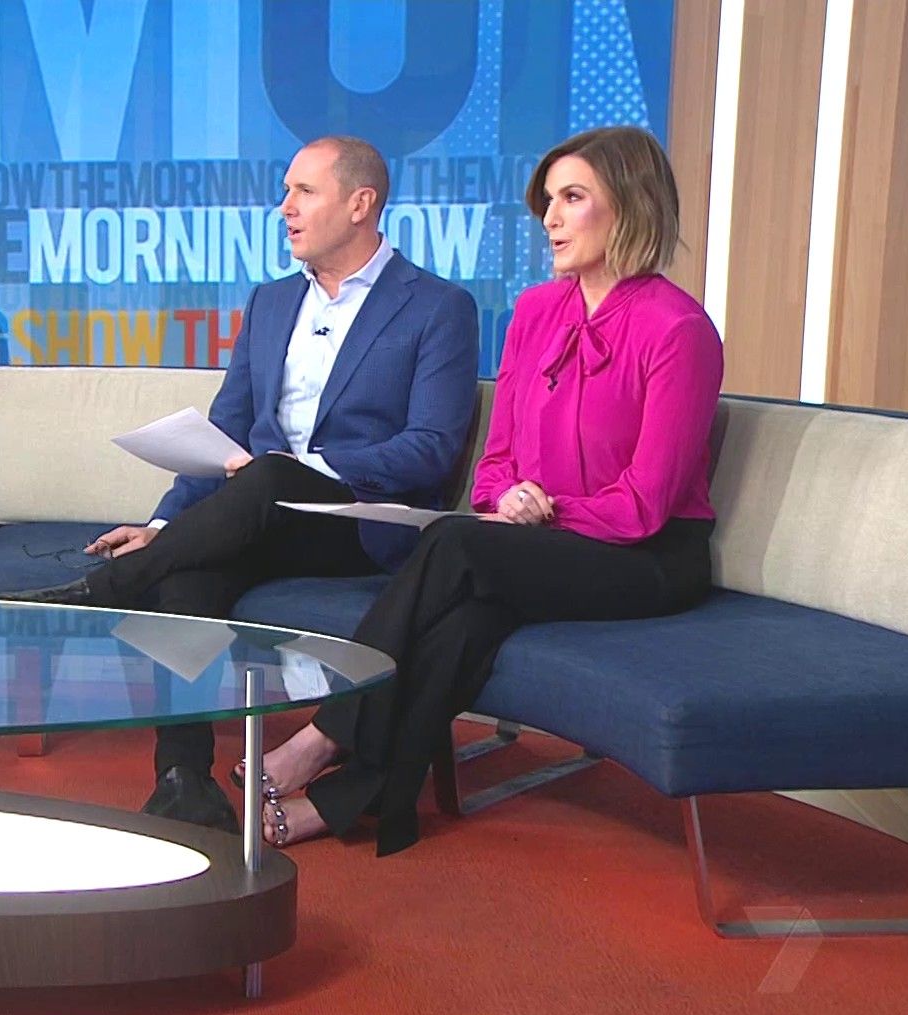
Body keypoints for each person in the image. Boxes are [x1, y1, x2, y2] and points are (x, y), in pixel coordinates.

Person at [248, 125, 725, 854]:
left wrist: (543, 513)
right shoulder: (536, 312)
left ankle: (327, 732)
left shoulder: (679, 330)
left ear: (630, 206)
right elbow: (497, 458)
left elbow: (646, 504)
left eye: (572, 198)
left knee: (454, 545)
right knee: (463, 621)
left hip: (646, 555)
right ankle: (364, 802)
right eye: (548, 202)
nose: (551, 218)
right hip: (537, 539)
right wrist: (505, 499)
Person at [4, 136, 479, 832]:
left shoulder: (437, 307)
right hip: (261, 515)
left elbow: (431, 449)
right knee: (186, 573)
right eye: (285, 192)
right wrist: (164, 526)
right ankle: (184, 781)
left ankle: (101, 589)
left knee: (272, 474)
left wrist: (304, 472)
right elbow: (225, 435)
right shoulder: (272, 302)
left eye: (304, 192)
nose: (284, 208)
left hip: (359, 525)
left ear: (360, 204)